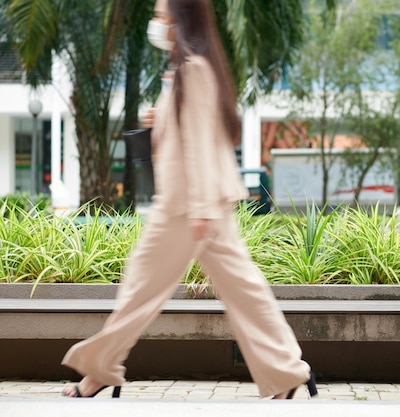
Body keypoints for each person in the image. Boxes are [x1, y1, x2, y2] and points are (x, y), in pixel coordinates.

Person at [61, 0, 315, 400]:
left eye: (162, 15)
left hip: (187, 207)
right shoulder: (187, 69)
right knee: (243, 290)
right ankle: (286, 373)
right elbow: (194, 134)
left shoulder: (193, 70)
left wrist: (198, 209)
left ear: (180, 21)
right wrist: (158, 121)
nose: (157, 23)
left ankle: (98, 370)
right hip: (202, 204)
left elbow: (198, 143)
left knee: (140, 288)